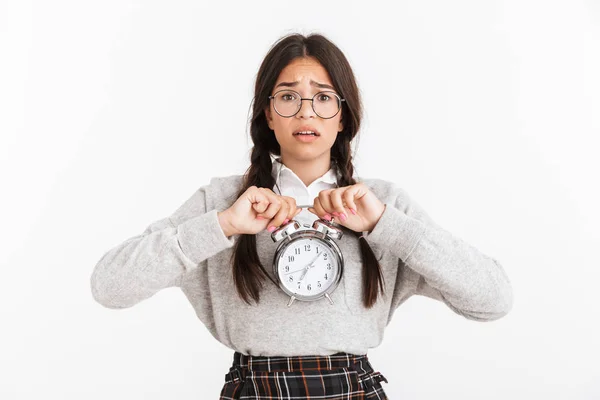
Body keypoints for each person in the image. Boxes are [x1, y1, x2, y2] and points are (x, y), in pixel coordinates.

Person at [90, 32, 513, 399]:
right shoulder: (223, 201)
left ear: (343, 115)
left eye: (324, 97)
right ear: (268, 113)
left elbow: (493, 300)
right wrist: (225, 226)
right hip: (253, 389)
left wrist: (385, 225)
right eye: (288, 96)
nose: (306, 112)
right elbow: (109, 286)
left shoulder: (381, 203)